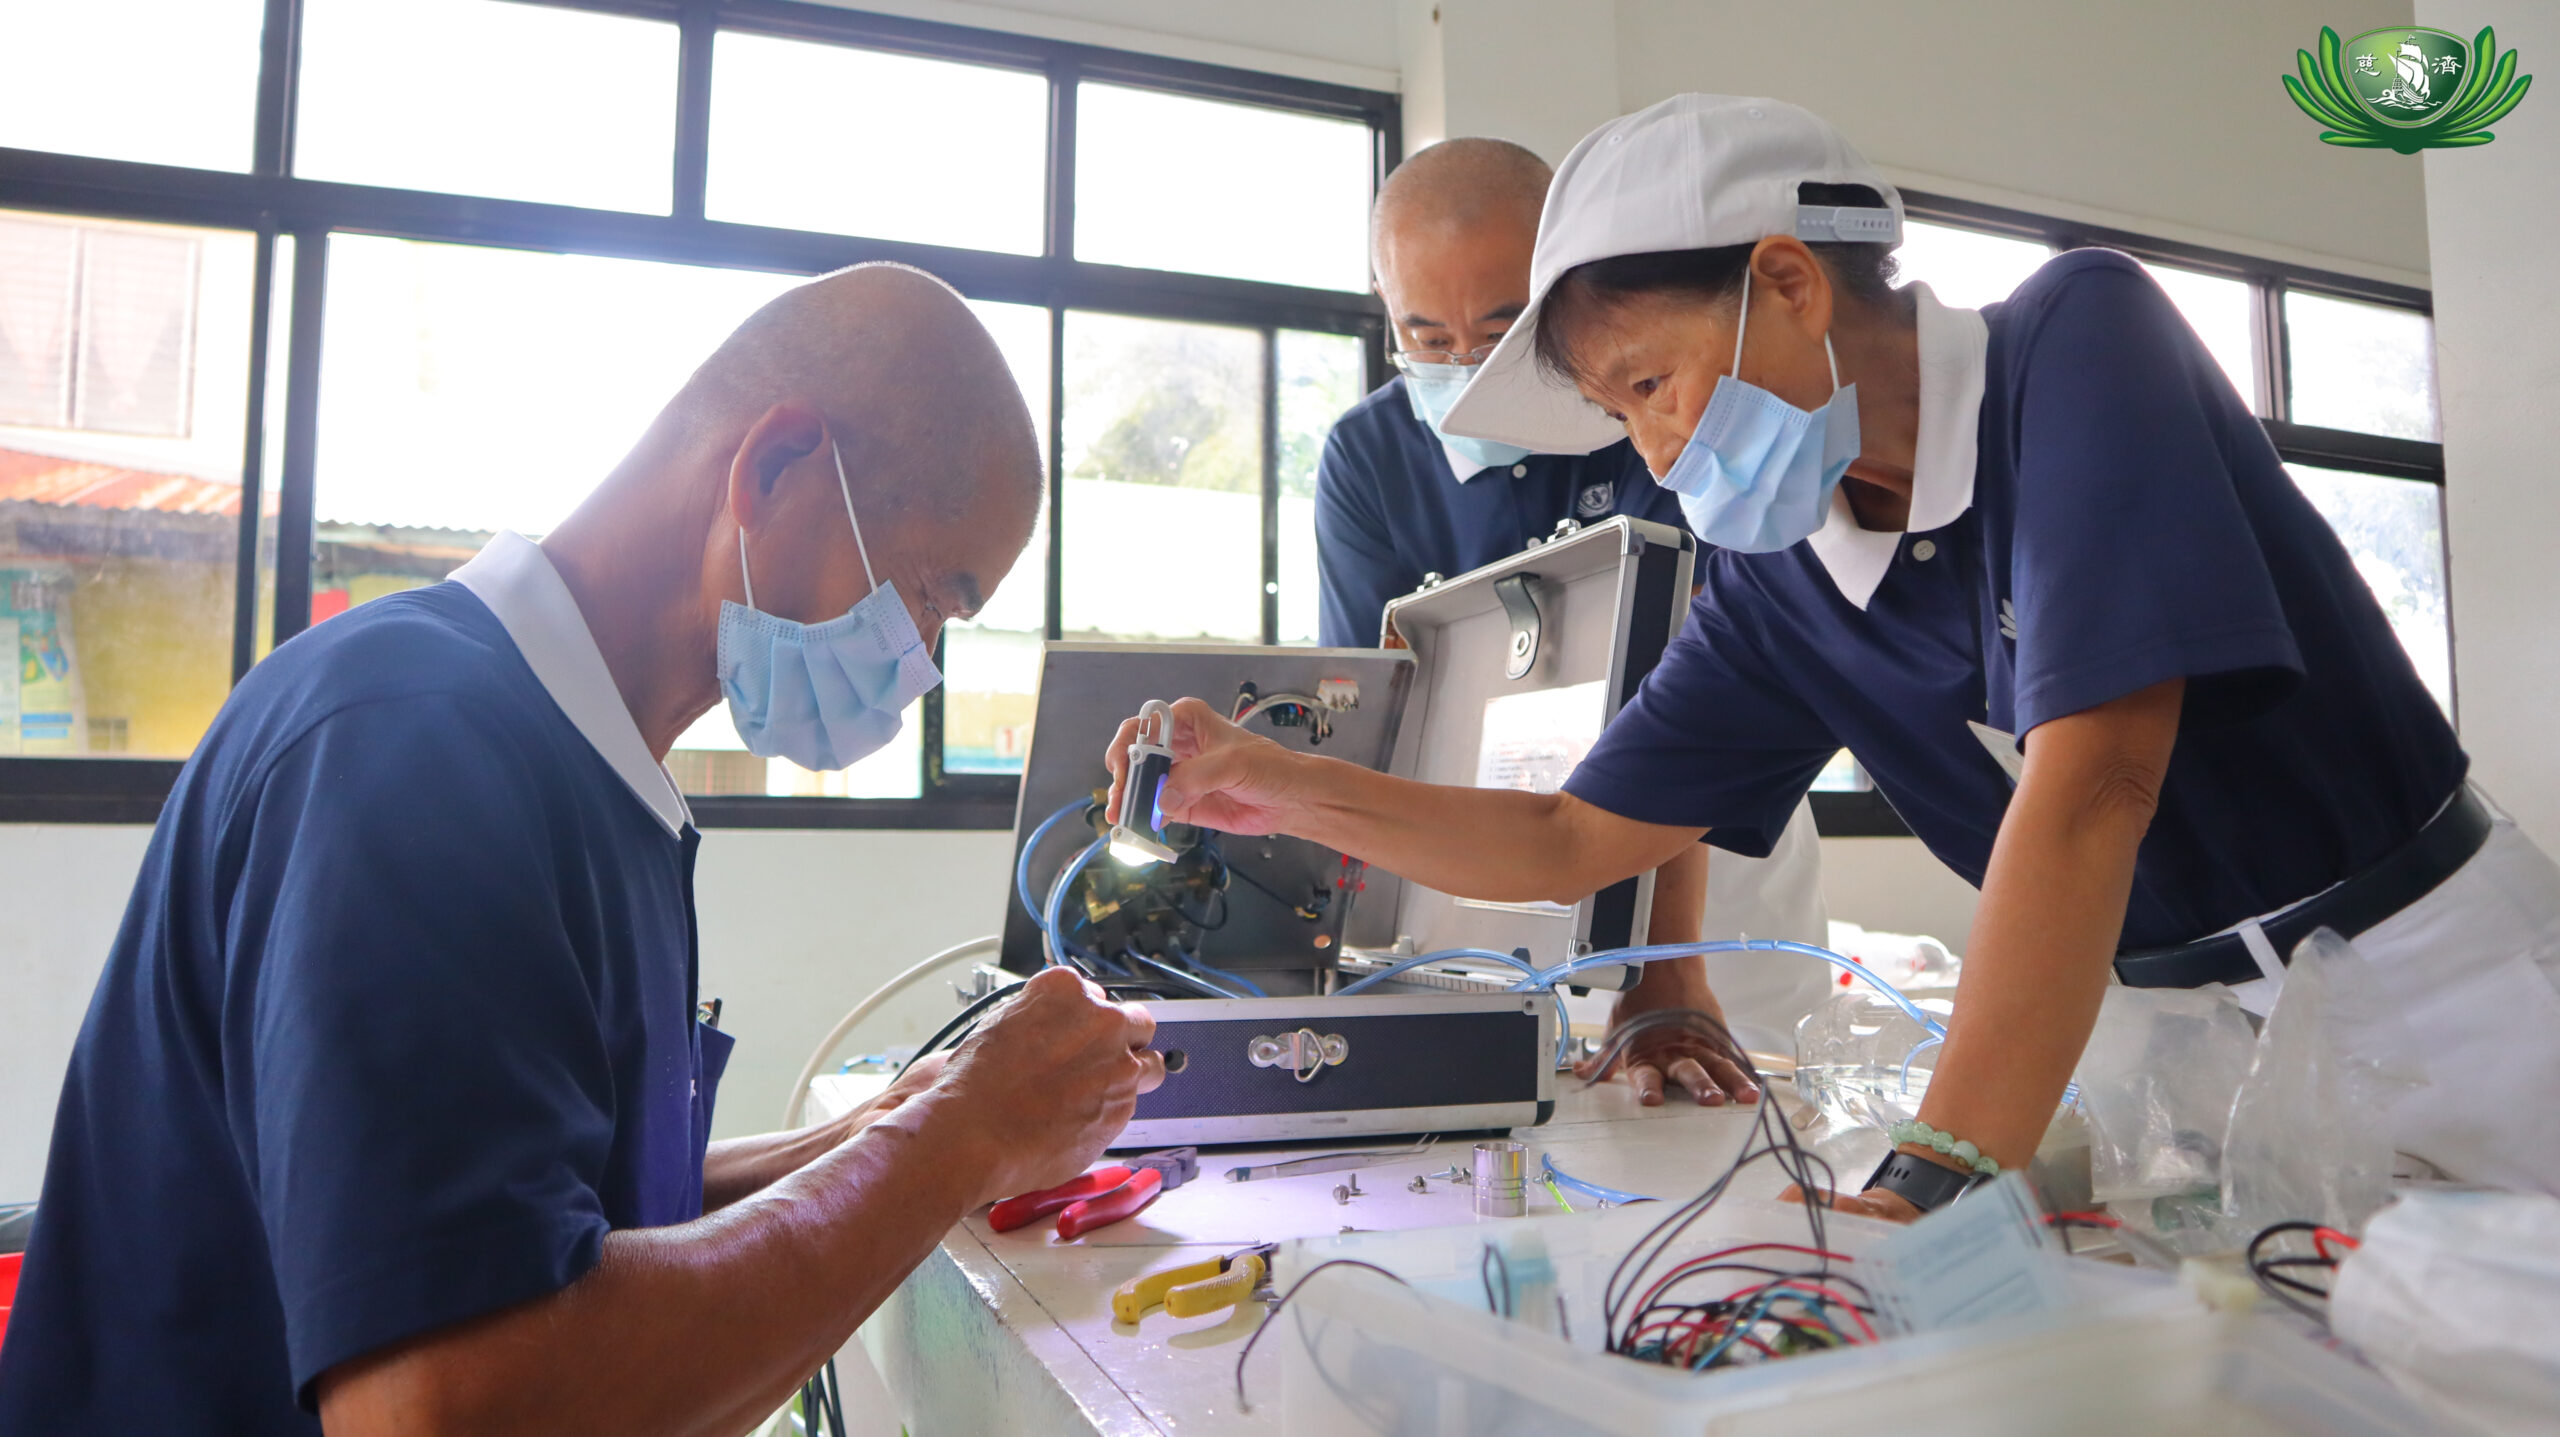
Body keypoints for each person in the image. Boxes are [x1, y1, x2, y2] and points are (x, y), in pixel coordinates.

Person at [1111, 95, 2560, 1221]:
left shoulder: (2076, 341)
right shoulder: (1780, 577)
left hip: (2434, 982)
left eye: (1654, 384)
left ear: (1791, 281)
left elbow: (2097, 785)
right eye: (1621, 417)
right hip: (2171, 1030)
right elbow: (1567, 835)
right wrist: (1280, 787)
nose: (1657, 454)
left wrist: (1930, 1173)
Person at [0, 264, 1165, 1433]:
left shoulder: (591, 774)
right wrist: (951, 1141)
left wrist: (869, 1134)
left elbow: (544, 1216)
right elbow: (450, 1404)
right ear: (773, 467)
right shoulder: (408, 743)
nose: (921, 663)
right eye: (929, 599)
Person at [1320, 135, 1832, 1082]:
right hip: (1490, 852)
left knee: (1736, 1122)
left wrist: (1666, 964)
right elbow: (1370, 713)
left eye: (1500, 330)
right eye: (1428, 338)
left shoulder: (1656, 400)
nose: (1466, 365)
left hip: (1704, 854)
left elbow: (1702, 691)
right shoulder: (1370, 457)